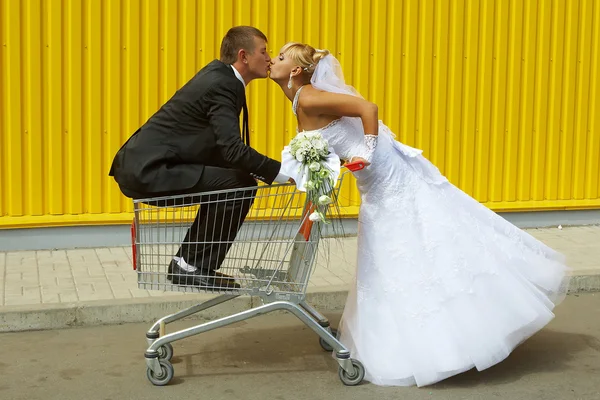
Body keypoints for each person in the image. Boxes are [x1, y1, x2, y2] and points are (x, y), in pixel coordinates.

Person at [269, 42, 570, 387]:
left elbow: (368, 108)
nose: (272, 62)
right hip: (371, 180)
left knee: (412, 239)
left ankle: (447, 340)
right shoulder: (299, 100)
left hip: (385, 173)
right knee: (393, 247)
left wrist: (366, 151)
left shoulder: (308, 96)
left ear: (294, 70)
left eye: (279, 57)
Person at [109, 26, 289, 290]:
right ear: (244, 56)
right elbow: (232, 150)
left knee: (235, 183)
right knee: (239, 186)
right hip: (149, 170)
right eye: (264, 51)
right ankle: (189, 264)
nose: (270, 58)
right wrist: (283, 174)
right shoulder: (223, 84)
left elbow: (220, 148)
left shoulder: (222, 77)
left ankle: (188, 263)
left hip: (148, 165)